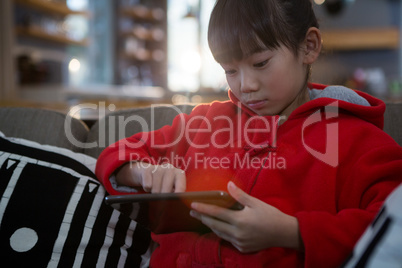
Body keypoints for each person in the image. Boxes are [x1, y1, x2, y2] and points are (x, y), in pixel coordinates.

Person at [95, 0, 402, 267]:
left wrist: (291, 232)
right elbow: (117, 153)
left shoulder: (355, 139)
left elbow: (392, 230)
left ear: (308, 47)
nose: (245, 85)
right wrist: (145, 171)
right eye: (230, 70)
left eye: (261, 63)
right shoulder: (205, 122)